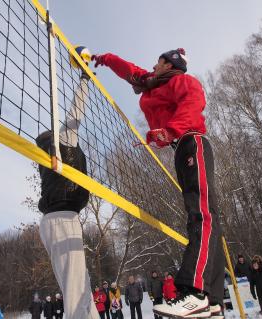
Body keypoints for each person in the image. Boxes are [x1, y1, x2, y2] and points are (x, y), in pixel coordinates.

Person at [92, 48, 224, 318]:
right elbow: (129, 69)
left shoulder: (183, 81)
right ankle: (213, 301)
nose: (154, 64)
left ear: (169, 65)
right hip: (180, 148)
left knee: (202, 215)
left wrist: (169, 130)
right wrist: (104, 59)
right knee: (204, 218)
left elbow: (193, 103)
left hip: (192, 140)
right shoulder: (151, 82)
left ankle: (195, 293)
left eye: (159, 61)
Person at [36, 62, 100, 319]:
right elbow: (76, 113)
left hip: (56, 220)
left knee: (79, 286)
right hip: (62, 219)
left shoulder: (47, 159)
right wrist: (85, 79)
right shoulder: (61, 145)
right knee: (75, 291)